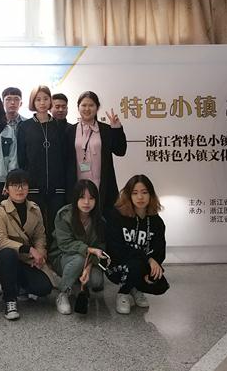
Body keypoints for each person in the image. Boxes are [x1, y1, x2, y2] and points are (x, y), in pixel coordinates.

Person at [0, 169, 54, 320]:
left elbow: (40, 236)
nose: (20, 189)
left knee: (44, 288)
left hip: (26, 260)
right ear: (7, 188)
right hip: (3, 260)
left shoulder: (35, 208)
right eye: (15, 185)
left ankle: (19, 286)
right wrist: (30, 249)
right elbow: (1, 241)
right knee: (7, 253)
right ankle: (10, 300)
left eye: (23, 185)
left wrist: (40, 254)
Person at [105, 175, 169, 315]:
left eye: (144, 192)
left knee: (161, 285)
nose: (140, 197)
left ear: (151, 195)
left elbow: (160, 250)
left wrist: (154, 264)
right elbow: (116, 249)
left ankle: (134, 287)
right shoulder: (117, 216)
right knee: (135, 266)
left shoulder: (156, 222)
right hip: (117, 265)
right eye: (135, 193)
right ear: (129, 195)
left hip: (142, 265)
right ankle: (123, 293)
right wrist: (147, 259)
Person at [17, 85, 67, 246]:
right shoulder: (25, 126)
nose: (42, 102)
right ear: (33, 102)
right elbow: (21, 157)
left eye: (46, 99)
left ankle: (55, 254)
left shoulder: (59, 126)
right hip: (33, 184)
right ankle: (36, 253)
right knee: (35, 223)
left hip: (57, 184)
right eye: (38, 99)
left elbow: (65, 156)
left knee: (56, 222)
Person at [49, 180, 108, 315]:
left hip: (87, 260)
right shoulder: (64, 215)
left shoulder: (100, 220)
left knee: (96, 280)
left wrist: (87, 268)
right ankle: (63, 293)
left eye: (91, 198)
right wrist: (88, 250)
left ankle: (75, 282)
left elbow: (100, 248)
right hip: (62, 256)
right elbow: (65, 243)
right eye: (82, 197)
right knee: (79, 259)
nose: (86, 202)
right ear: (75, 198)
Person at [66, 91, 127, 212]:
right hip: (77, 184)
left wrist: (116, 129)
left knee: (103, 217)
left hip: (103, 185)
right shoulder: (70, 131)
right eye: (84, 105)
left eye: (91, 105)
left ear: (97, 107)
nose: (87, 109)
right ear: (78, 107)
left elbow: (120, 151)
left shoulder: (106, 129)